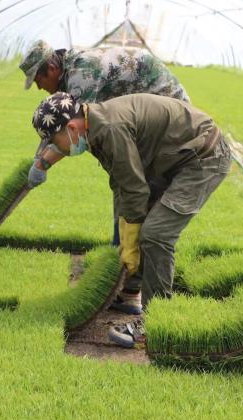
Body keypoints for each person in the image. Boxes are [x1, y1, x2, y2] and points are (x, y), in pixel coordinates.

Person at [31, 92, 232, 348]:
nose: (57, 148)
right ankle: (130, 291)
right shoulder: (93, 127)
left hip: (203, 157)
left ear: (71, 127)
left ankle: (157, 325)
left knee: (156, 234)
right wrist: (126, 235)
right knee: (138, 229)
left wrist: (131, 238)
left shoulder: (109, 129)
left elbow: (136, 190)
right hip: (174, 158)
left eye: (55, 141)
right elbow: (122, 183)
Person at [21, 40, 191, 315]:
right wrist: (40, 159)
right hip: (140, 125)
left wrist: (42, 162)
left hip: (168, 125)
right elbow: (64, 128)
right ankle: (126, 282)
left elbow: (74, 131)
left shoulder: (82, 75)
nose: (39, 87)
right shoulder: (70, 71)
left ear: (52, 67)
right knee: (126, 194)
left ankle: (135, 292)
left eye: (39, 79)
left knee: (138, 202)